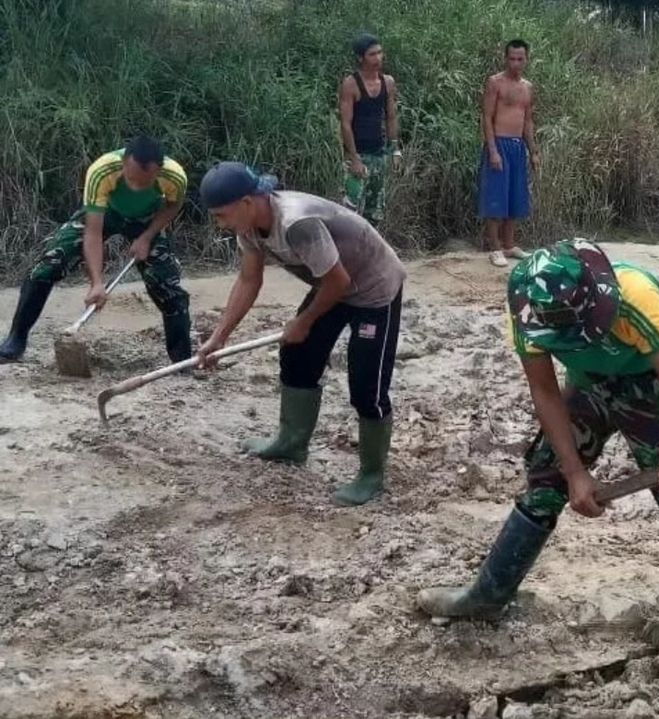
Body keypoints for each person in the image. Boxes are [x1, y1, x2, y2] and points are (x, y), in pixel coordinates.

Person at [417, 240, 659, 719]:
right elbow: (545, 391)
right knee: (545, 478)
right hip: (590, 386)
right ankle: (487, 596)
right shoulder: (529, 306)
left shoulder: (636, 296)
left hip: (650, 388)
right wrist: (574, 473)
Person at [197, 162, 406, 507]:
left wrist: (305, 320)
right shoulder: (249, 228)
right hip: (335, 283)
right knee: (297, 355)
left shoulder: (297, 223)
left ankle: (372, 474)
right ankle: (292, 444)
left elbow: (340, 281)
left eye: (221, 215)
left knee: (368, 387)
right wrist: (220, 336)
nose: (219, 223)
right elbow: (249, 280)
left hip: (373, 287)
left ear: (248, 202)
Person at [0, 136, 191, 363]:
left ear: (158, 171)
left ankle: (182, 359)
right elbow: (93, 232)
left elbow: (173, 205)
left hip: (148, 219)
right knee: (47, 265)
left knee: (167, 285)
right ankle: (16, 340)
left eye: (145, 182)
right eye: (132, 179)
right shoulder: (102, 170)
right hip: (105, 213)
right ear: (124, 164)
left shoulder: (175, 176)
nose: (137, 186)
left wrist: (147, 236)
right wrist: (97, 283)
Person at [479, 39, 540, 267]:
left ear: (526, 59)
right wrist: (493, 150)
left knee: (515, 196)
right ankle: (494, 247)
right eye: (512, 58)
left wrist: (533, 151)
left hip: (517, 146)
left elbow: (528, 121)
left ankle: (509, 244)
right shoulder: (495, 83)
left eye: (520, 59)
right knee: (496, 197)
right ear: (506, 58)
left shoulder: (528, 87)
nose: (516, 63)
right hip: (499, 144)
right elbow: (486, 117)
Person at [339, 33, 402, 227]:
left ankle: (369, 253)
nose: (378, 58)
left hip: (379, 153)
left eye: (380, 53)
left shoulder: (388, 82)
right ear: (361, 58)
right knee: (350, 209)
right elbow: (345, 124)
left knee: (375, 211)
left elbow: (391, 116)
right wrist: (354, 158)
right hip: (358, 153)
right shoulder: (351, 84)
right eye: (372, 54)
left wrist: (395, 148)